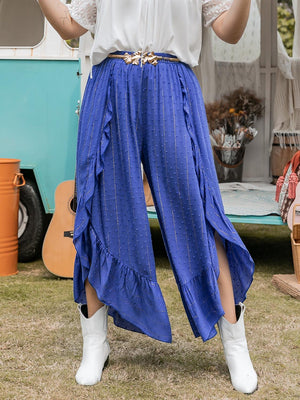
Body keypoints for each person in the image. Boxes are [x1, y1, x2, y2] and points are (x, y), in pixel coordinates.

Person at [38, 0, 257, 394]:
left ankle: (235, 344)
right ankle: (95, 342)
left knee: (198, 207)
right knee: (98, 207)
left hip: (173, 82)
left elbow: (230, 30)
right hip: (109, 82)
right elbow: (71, 26)